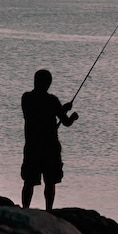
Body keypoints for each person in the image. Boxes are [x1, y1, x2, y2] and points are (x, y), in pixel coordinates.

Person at [21, 69, 79, 211]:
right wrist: (73, 117)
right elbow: (66, 122)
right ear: (49, 83)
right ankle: (49, 211)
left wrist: (62, 109)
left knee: (29, 181)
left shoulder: (26, 98)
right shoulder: (52, 101)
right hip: (50, 147)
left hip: (32, 145)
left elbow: (41, 113)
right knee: (50, 181)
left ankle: (25, 209)